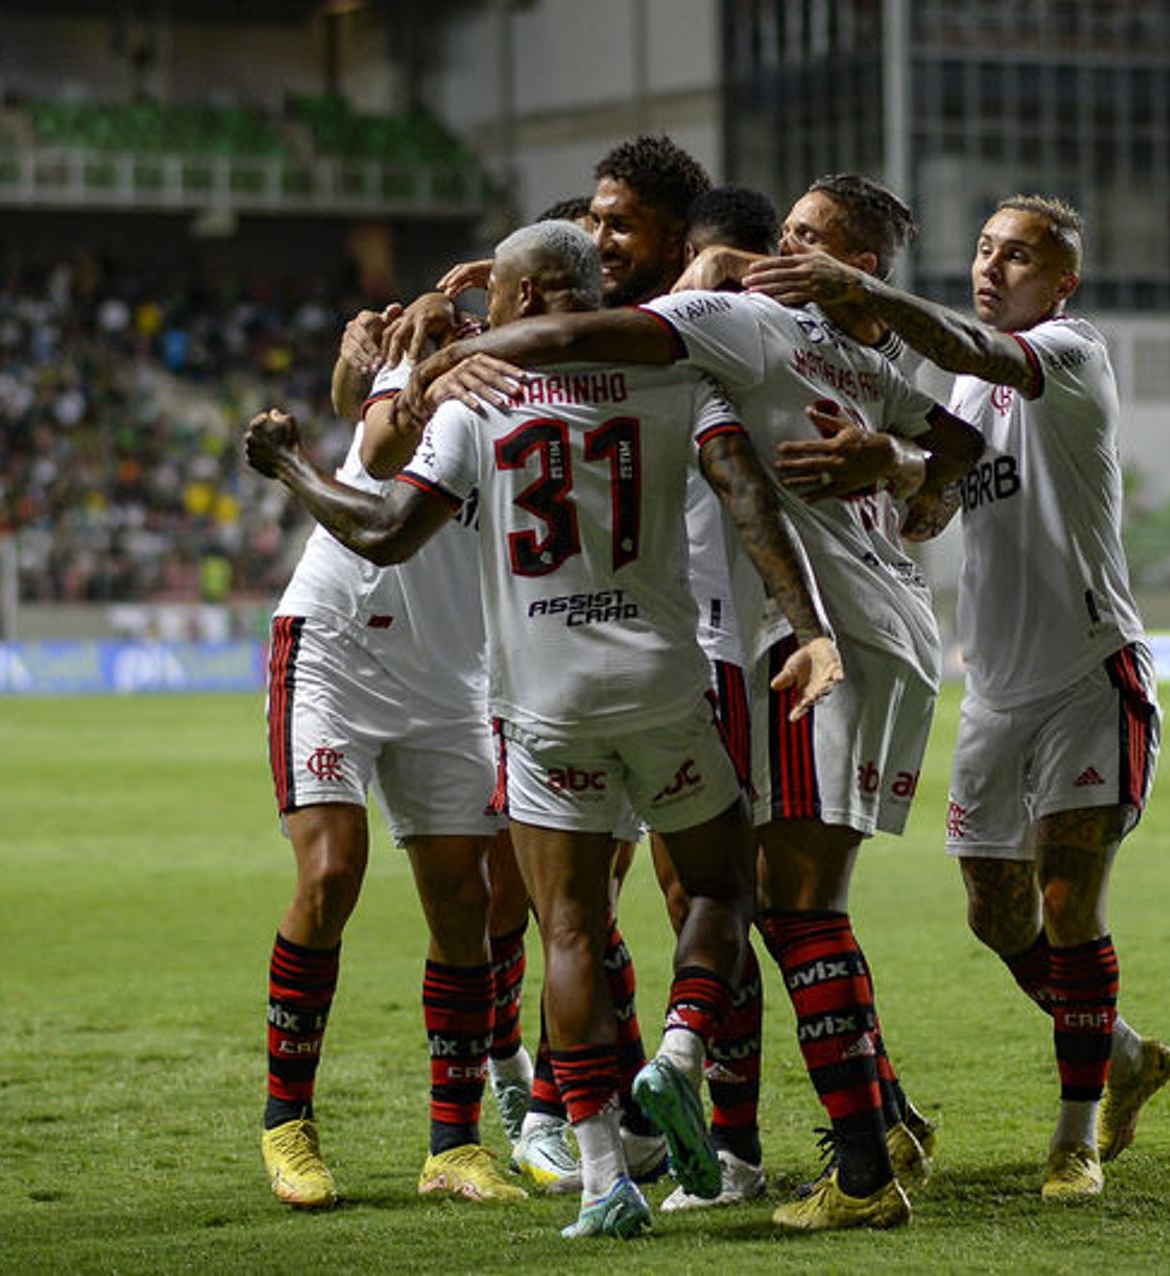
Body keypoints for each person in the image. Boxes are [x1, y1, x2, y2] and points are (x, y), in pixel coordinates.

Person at [247, 219, 843, 1239]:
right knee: (706, 887)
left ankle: (533, 1155)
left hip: (512, 685)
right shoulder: (658, 372)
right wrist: (814, 626)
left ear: (519, 298)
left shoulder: (479, 384)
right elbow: (744, 490)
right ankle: (666, 1062)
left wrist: (309, 449)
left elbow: (389, 510)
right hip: (486, 656)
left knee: (525, 916)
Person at [412, 174, 985, 1231]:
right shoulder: (852, 353)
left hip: (819, 633)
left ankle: (850, 1169)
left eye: (810, 238)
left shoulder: (740, 320)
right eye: (788, 230)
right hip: (852, 631)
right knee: (772, 900)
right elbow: (961, 450)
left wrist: (450, 354)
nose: (785, 246)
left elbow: (589, 330)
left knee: (789, 904)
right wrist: (904, 465)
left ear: (854, 270)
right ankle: (865, 1124)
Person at [742, 193, 1170, 1201]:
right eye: (984, 250)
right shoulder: (960, 387)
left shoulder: (1070, 352)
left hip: (1087, 670)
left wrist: (859, 290)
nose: (993, 268)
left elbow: (977, 351)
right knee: (995, 911)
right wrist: (891, 469)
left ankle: (1074, 1141)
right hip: (994, 688)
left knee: (1070, 904)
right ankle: (1121, 1053)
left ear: (1060, 281)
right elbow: (936, 503)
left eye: (1019, 256)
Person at [252, 317, 525, 1211]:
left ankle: (454, 1146)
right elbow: (372, 436)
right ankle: (287, 1121)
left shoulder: (569, 392)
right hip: (335, 642)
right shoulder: (443, 355)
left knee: (466, 906)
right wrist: (408, 374)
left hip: (451, 672)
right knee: (330, 875)